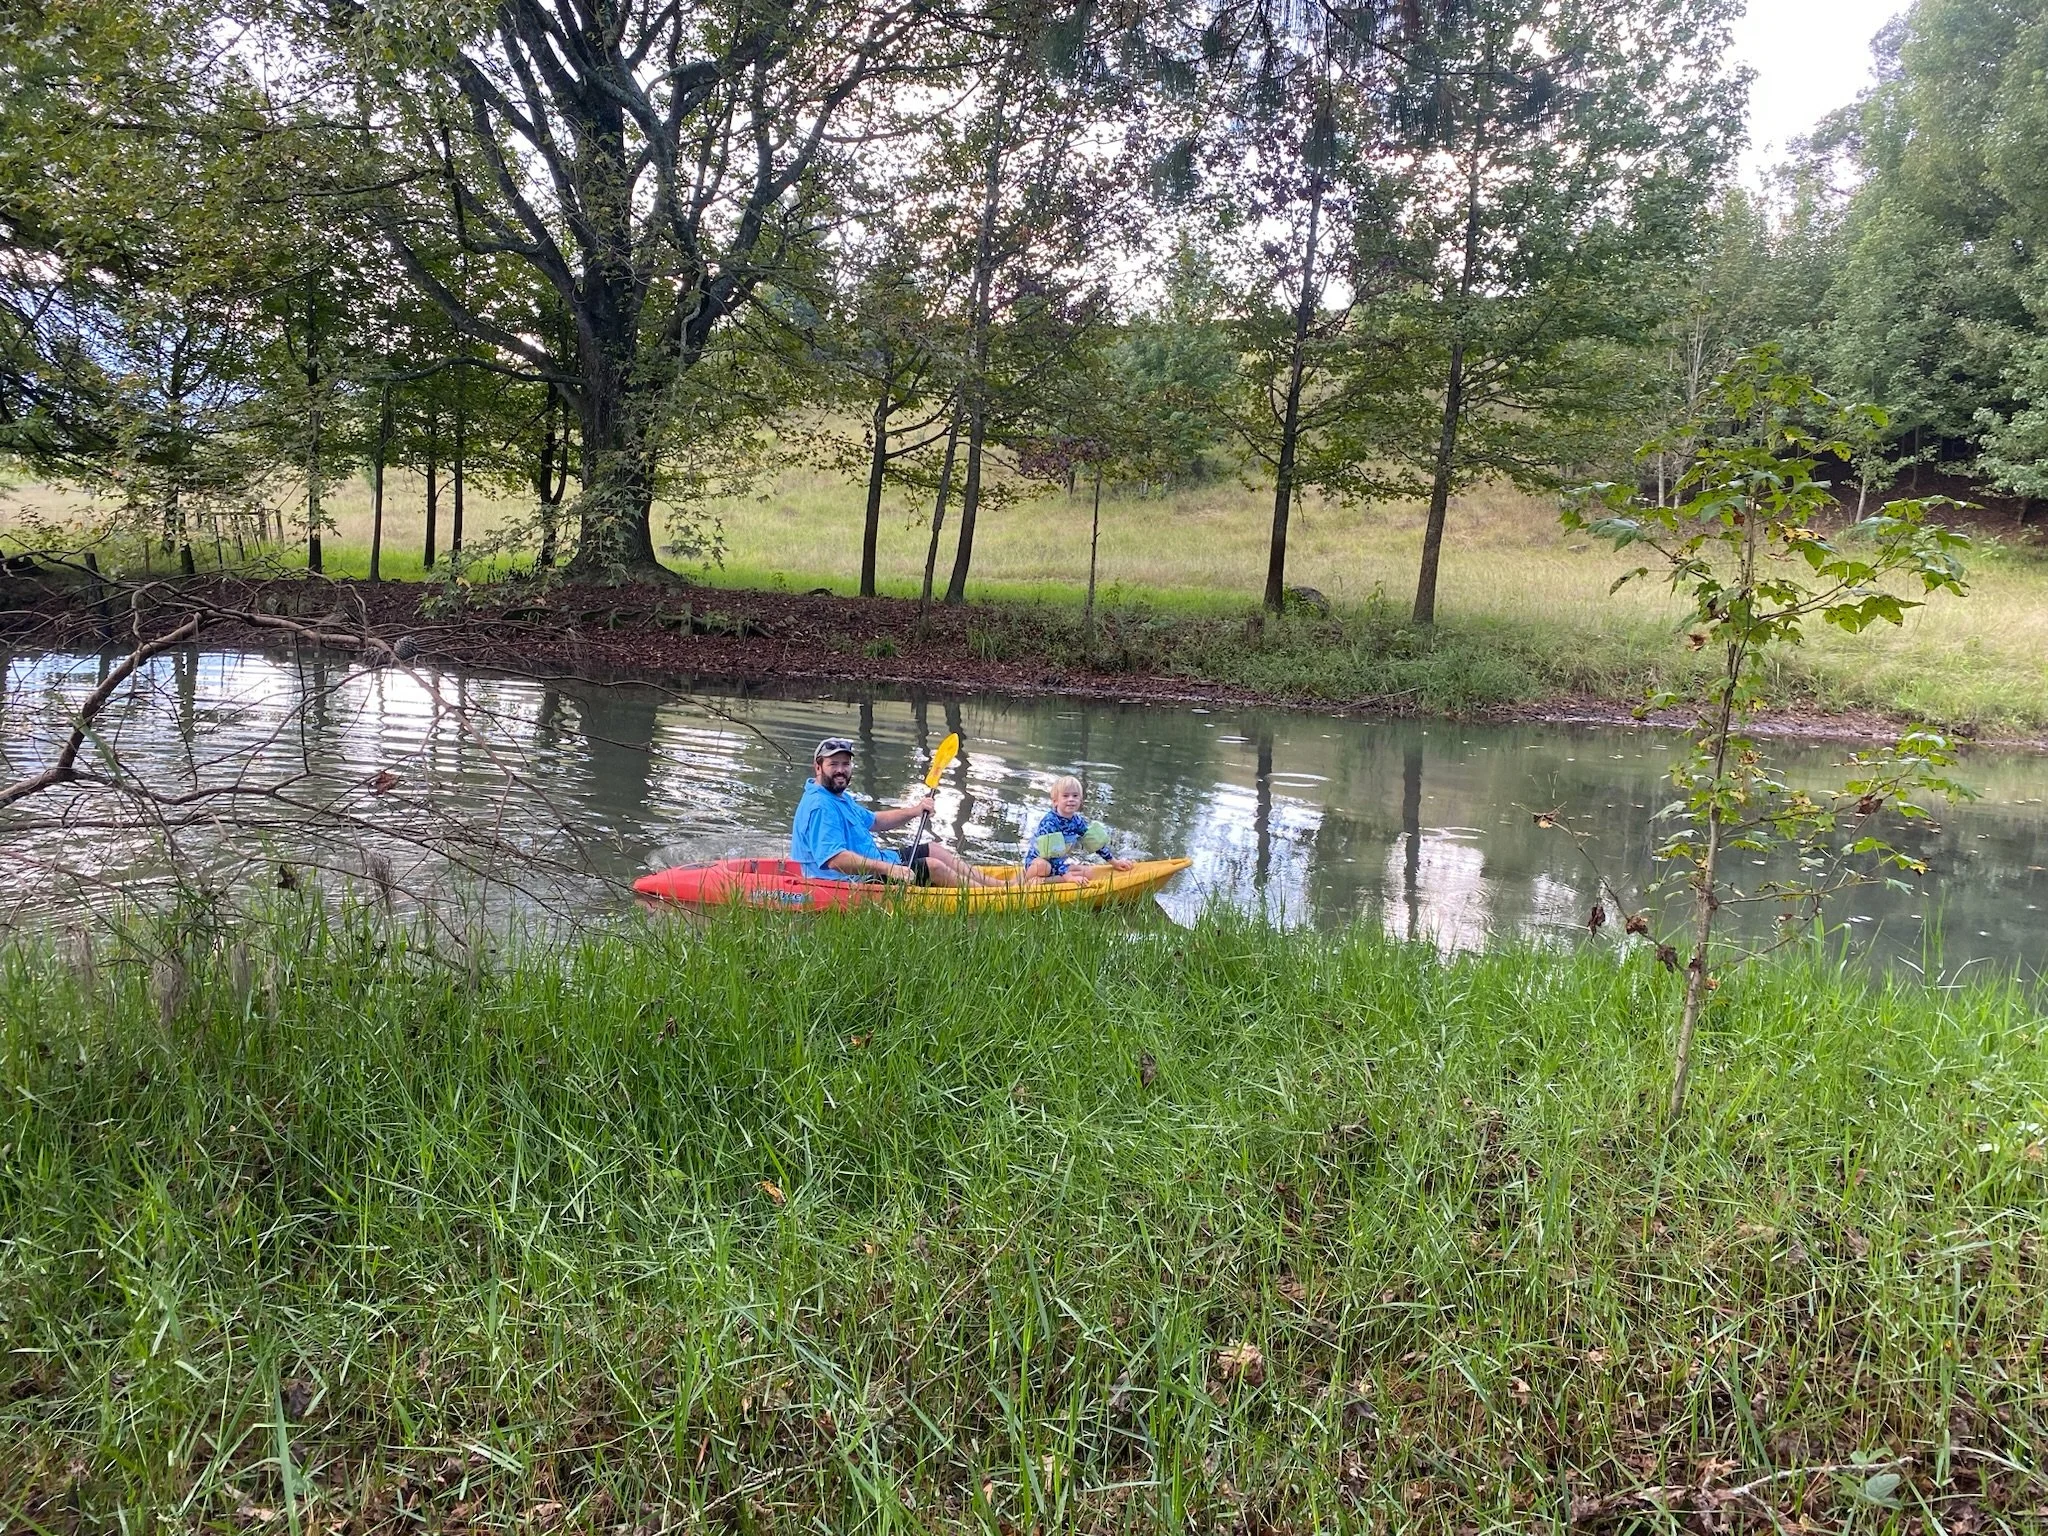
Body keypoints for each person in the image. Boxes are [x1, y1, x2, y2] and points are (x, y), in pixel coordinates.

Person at [790, 737, 994, 888]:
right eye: (833, 764)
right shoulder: (820, 806)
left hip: (876, 865)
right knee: (932, 866)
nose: (841, 770)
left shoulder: (837, 797)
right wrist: (889, 869)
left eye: (846, 764)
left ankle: (998, 886)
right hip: (848, 883)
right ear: (818, 767)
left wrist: (915, 811)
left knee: (933, 849)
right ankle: (992, 899)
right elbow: (835, 859)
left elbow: (876, 821)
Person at [1023, 774, 1136, 886]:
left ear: (1080, 800)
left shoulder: (1077, 821)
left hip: (1057, 865)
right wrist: (1069, 877)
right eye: (1066, 796)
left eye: (1075, 796)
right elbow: (1053, 856)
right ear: (1055, 801)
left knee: (1088, 873)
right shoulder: (1049, 822)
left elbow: (1094, 843)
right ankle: (1027, 882)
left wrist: (1114, 862)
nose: (1071, 799)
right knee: (1043, 867)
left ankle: (1043, 882)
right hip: (1039, 863)